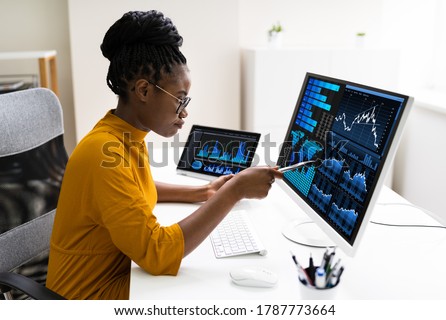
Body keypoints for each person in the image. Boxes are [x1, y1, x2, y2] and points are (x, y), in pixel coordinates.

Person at [46, 10, 282, 300]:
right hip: (87, 297)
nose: (184, 112)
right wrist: (233, 191)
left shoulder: (121, 134)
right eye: (180, 99)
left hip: (117, 276)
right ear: (143, 90)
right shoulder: (103, 153)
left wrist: (202, 191)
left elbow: (131, 191)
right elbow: (156, 254)